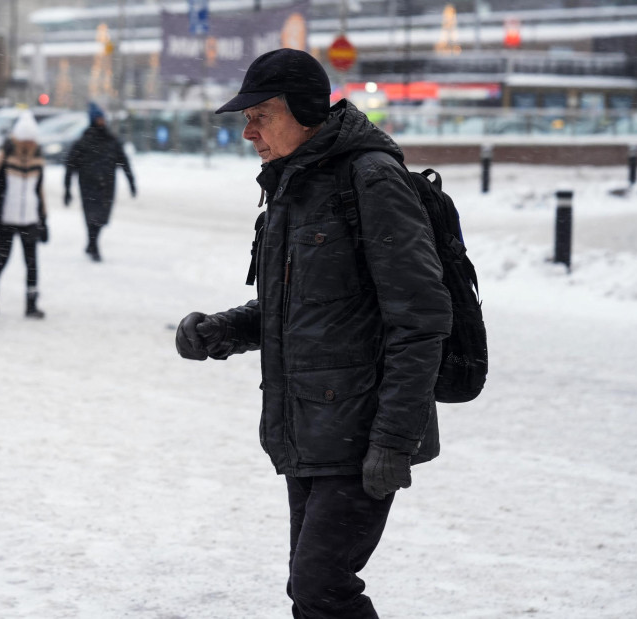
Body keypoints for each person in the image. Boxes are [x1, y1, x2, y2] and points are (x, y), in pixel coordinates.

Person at [174, 49, 453, 619]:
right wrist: (222, 331)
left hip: (362, 433)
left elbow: (421, 317)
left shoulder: (371, 181)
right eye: (245, 119)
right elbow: (297, 308)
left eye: (261, 115)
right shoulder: (292, 187)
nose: (248, 132)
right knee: (310, 590)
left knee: (322, 586)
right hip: (309, 428)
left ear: (304, 110)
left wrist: (393, 440)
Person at [0, 110, 47, 319]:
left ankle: (31, 303)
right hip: (6, 218)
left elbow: (40, 190)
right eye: (24, 140)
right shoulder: (4, 155)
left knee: (32, 263)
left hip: (29, 218)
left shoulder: (37, 158)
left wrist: (43, 218)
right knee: (2, 259)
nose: (28, 145)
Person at [63, 102, 136, 262]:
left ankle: (91, 243)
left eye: (102, 118)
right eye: (98, 119)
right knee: (91, 216)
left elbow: (124, 161)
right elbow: (70, 165)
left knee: (102, 217)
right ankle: (94, 245)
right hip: (88, 184)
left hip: (107, 185)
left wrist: (131, 181)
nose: (101, 121)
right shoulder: (83, 141)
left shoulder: (111, 140)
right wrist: (67, 188)